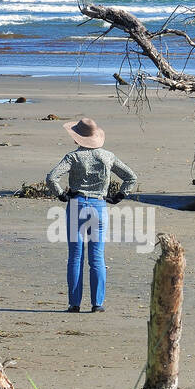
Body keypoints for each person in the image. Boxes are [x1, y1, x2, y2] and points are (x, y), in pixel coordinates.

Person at [45, 117, 138, 312]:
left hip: (76, 205)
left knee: (75, 257)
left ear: (77, 139)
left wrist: (61, 195)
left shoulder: (73, 157)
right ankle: (97, 304)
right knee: (97, 257)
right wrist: (119, 196)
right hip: (99, 206)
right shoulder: (108, 156)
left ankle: (74, 304)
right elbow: (131, 177)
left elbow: (52, 177)